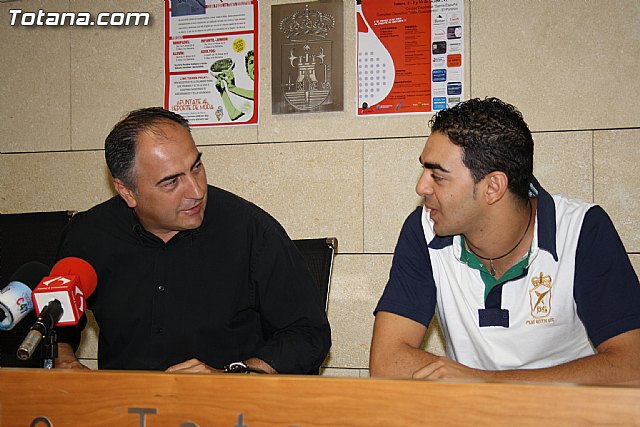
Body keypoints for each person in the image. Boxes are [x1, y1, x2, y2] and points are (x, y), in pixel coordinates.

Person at [370, 97, 640, 385]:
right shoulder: (425, 229)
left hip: (562, 408)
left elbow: (631, 365)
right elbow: (387, 361)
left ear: (493, 187)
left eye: (437, 176)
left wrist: (487, 382)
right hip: (468, 407)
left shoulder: (582, 229)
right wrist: (479, 386)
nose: (421, 187)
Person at [55, 107, 330, 374]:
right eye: (171, 182)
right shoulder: (89, 234)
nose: (196, 191)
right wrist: (63, 359)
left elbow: (308, 333)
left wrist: (233, 376)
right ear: (126, 191)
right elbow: (56, 318)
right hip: (123, 401)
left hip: (227, 400)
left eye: (196, 167)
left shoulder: (250, 230)